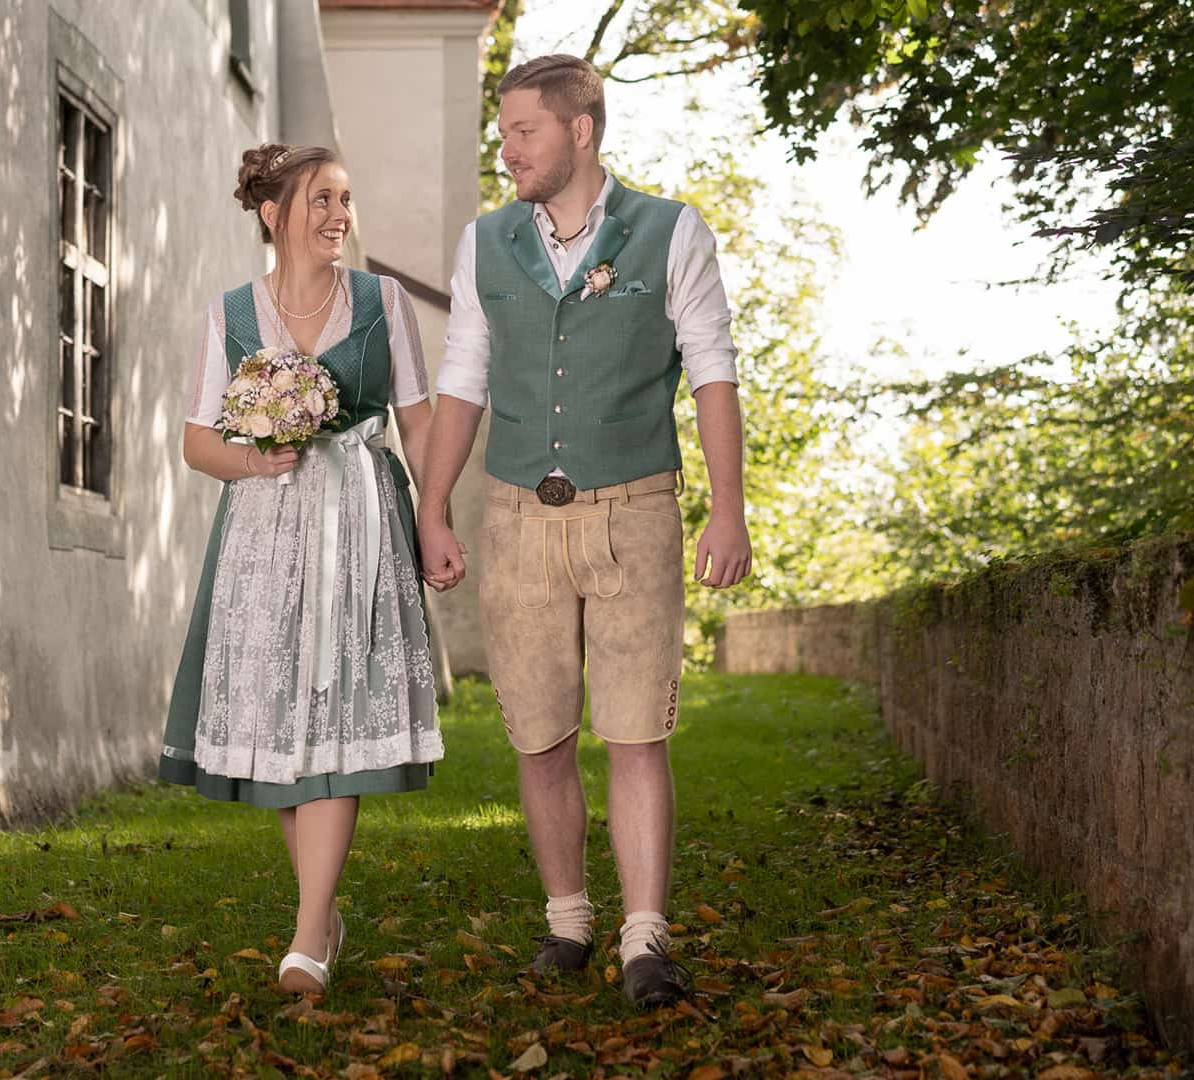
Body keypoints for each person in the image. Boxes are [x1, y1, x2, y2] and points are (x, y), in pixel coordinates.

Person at [416, 54, 753, 1008]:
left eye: (524, 130)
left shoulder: (671, 231)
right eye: (504, 132)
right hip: (519, 516)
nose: (508, 149)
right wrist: (433, 507)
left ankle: (645, 939)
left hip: (635, 510)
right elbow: (463, 380)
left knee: (639, 731)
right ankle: (568, 919)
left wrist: (727, 507)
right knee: (539, 737)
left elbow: (713, 372)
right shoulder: (485, 243)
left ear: (581, 130)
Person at [158, 143, 446, 995]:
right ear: (274, 215)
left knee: (337, 716)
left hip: (360, 519)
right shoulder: (230, 315)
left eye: (346, 199)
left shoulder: (383, 301)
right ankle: (321, 915)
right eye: (321, 199)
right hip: (264, 533)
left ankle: (308, 933)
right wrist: (257, 460)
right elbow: (196, 440)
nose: (338, 216)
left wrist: (435, 519)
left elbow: (420, 422)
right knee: (281, 724)